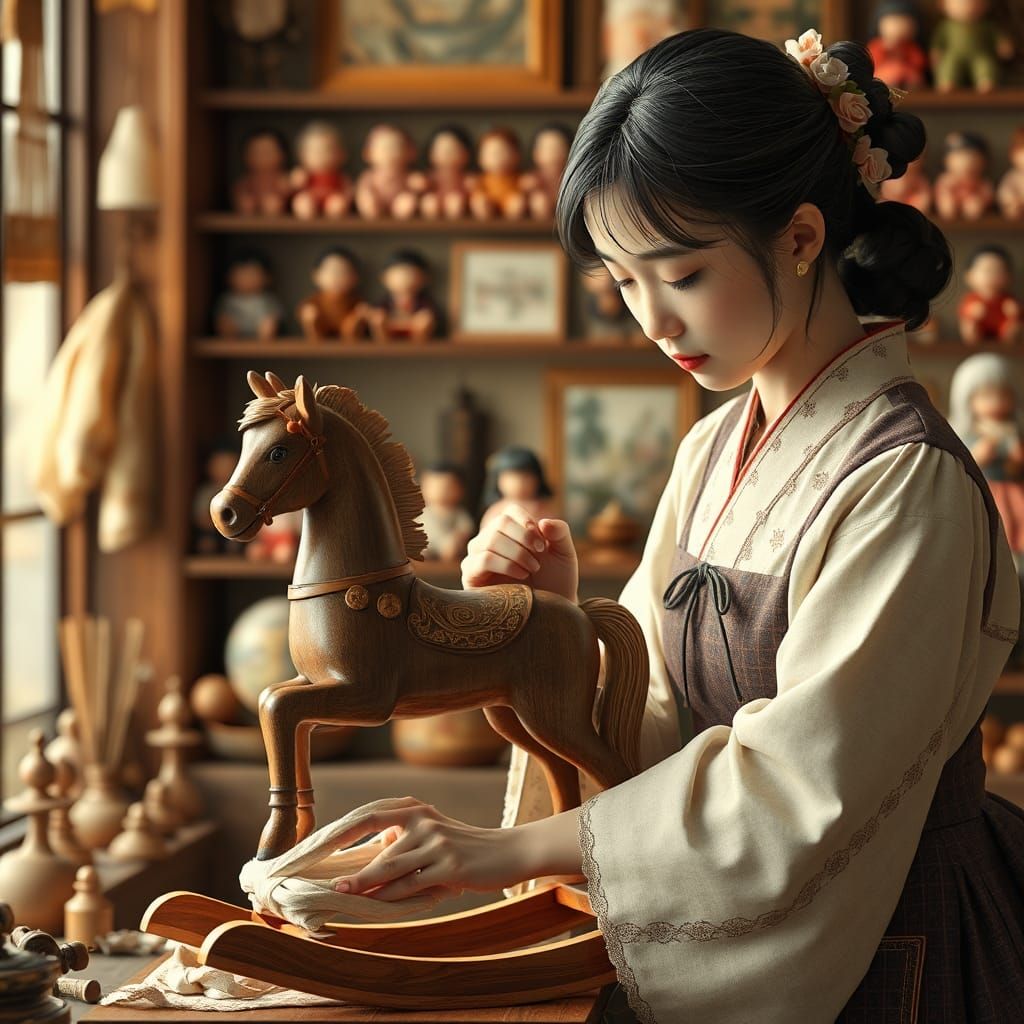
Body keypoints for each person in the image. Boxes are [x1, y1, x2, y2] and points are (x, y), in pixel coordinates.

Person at [324, 27, 1024, 1022]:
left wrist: (500, 851)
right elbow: (649, 729)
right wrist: (553, 629)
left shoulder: (905, 479)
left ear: (799, 236)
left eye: (681, 273)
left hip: (894, 947)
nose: (650, 317)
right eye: (622, 281)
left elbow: (795, 797)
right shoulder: (710, 449)